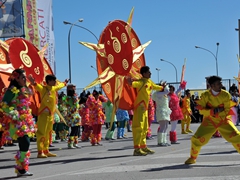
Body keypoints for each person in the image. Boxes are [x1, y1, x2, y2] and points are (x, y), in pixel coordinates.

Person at [185, 75, 240, 164]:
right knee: (197, 138)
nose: (220, 85)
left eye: (221, 83)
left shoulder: (225, 94)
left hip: (223, 120)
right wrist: (212, 111)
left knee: (236, 136)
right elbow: (201, 110)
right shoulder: (205, 95)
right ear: (212, 85)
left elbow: (226, 109)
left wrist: (217, 112)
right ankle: (193, 158)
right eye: (218, 84)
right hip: (209, 120)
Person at [0, 69, 35, 176]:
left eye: (25, 77)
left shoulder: (24, 89)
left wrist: (32, 83)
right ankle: (21, 169)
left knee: (26, 142)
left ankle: (22, 168)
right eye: (23, 77)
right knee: (25, 141)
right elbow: (3, 104)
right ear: (16, 78)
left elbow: (31, 94)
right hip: (16, 121)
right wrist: (13, 113)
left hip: (25, 120)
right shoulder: (12, 90)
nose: (25, 79)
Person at [28, 74, 69, 158]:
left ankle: (46, 150)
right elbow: (36, 86)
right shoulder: (43, 89)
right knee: (41, 133)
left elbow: (60, 86)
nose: (55, 82)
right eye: (54, 80)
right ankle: (40, 151)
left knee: (48, 133)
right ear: (49, 81)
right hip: (43, 114)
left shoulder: (53, 88)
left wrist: (65, 83)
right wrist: (33, 82)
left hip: (50, 114)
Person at [127, 66, 164, 156]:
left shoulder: (149, 82)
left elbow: (155, 86)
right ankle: (137, 149)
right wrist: (129, 81)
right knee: (138, 127)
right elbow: (133, 84)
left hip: (145, 108)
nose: (150, 73)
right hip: (139, 107)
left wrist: (162, 87)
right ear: (144, 74)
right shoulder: (141, 82)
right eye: (148, 72)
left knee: (144, 128)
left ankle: (143, 146)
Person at [63, 84, 81, 149]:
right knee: (73, 130)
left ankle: (75, 143)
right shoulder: (69, 98)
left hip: (76, 115)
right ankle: (70, 144)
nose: (75, 91)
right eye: (73, 89)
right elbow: (72, 104)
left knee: (77, 129)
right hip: (72, 116)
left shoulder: (73, 98)